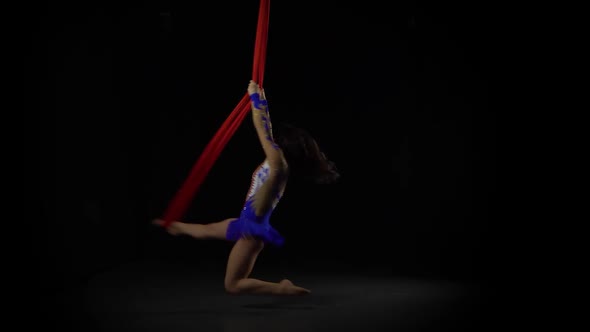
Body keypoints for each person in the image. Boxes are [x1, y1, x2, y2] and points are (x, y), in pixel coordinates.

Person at [153, 80, 339, 296]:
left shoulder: (278, 164)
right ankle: (171, 225)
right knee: (204, 231)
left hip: (252, 232)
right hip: (245, 222)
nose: (274, 142)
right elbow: (266, 127)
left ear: (285, 147)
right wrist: (261, 97)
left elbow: (262, 130)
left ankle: (281, 288)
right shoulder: (277, 161)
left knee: (233, 284)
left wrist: (254, 98)